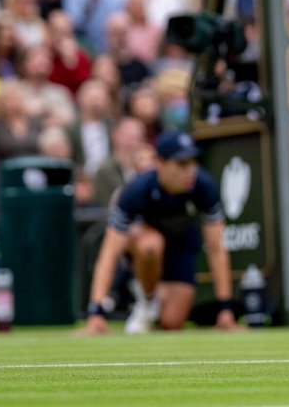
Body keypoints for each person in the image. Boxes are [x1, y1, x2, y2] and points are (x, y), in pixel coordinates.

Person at [82, 131, 237, 335]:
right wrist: (96, 312)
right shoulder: (137, 190)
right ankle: (145, 301)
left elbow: (217, 249)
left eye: (193, 162)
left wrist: (225, 310)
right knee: (151, 245)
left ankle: (154, 301)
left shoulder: (204, 186)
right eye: (181, 164)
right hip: (143, 249)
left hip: (181, 247)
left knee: (172, 323)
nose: (190, 171)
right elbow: (109, 254)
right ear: (160, 163)